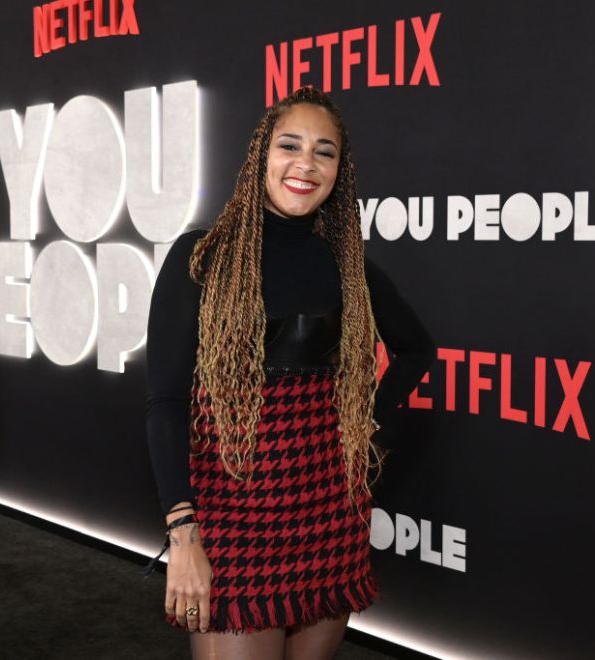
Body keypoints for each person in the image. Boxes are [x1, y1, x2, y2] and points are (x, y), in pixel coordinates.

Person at [144, 86, 434, 660]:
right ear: (262, 155)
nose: (306, 163)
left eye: (325, 152)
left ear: (339, 172)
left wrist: (360, 429)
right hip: (231, 516)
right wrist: (182, 532)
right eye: (290, 145)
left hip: (328, 511)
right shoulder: (202, 257)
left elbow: (416, 349)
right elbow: (167, 402)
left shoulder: (347, 266)